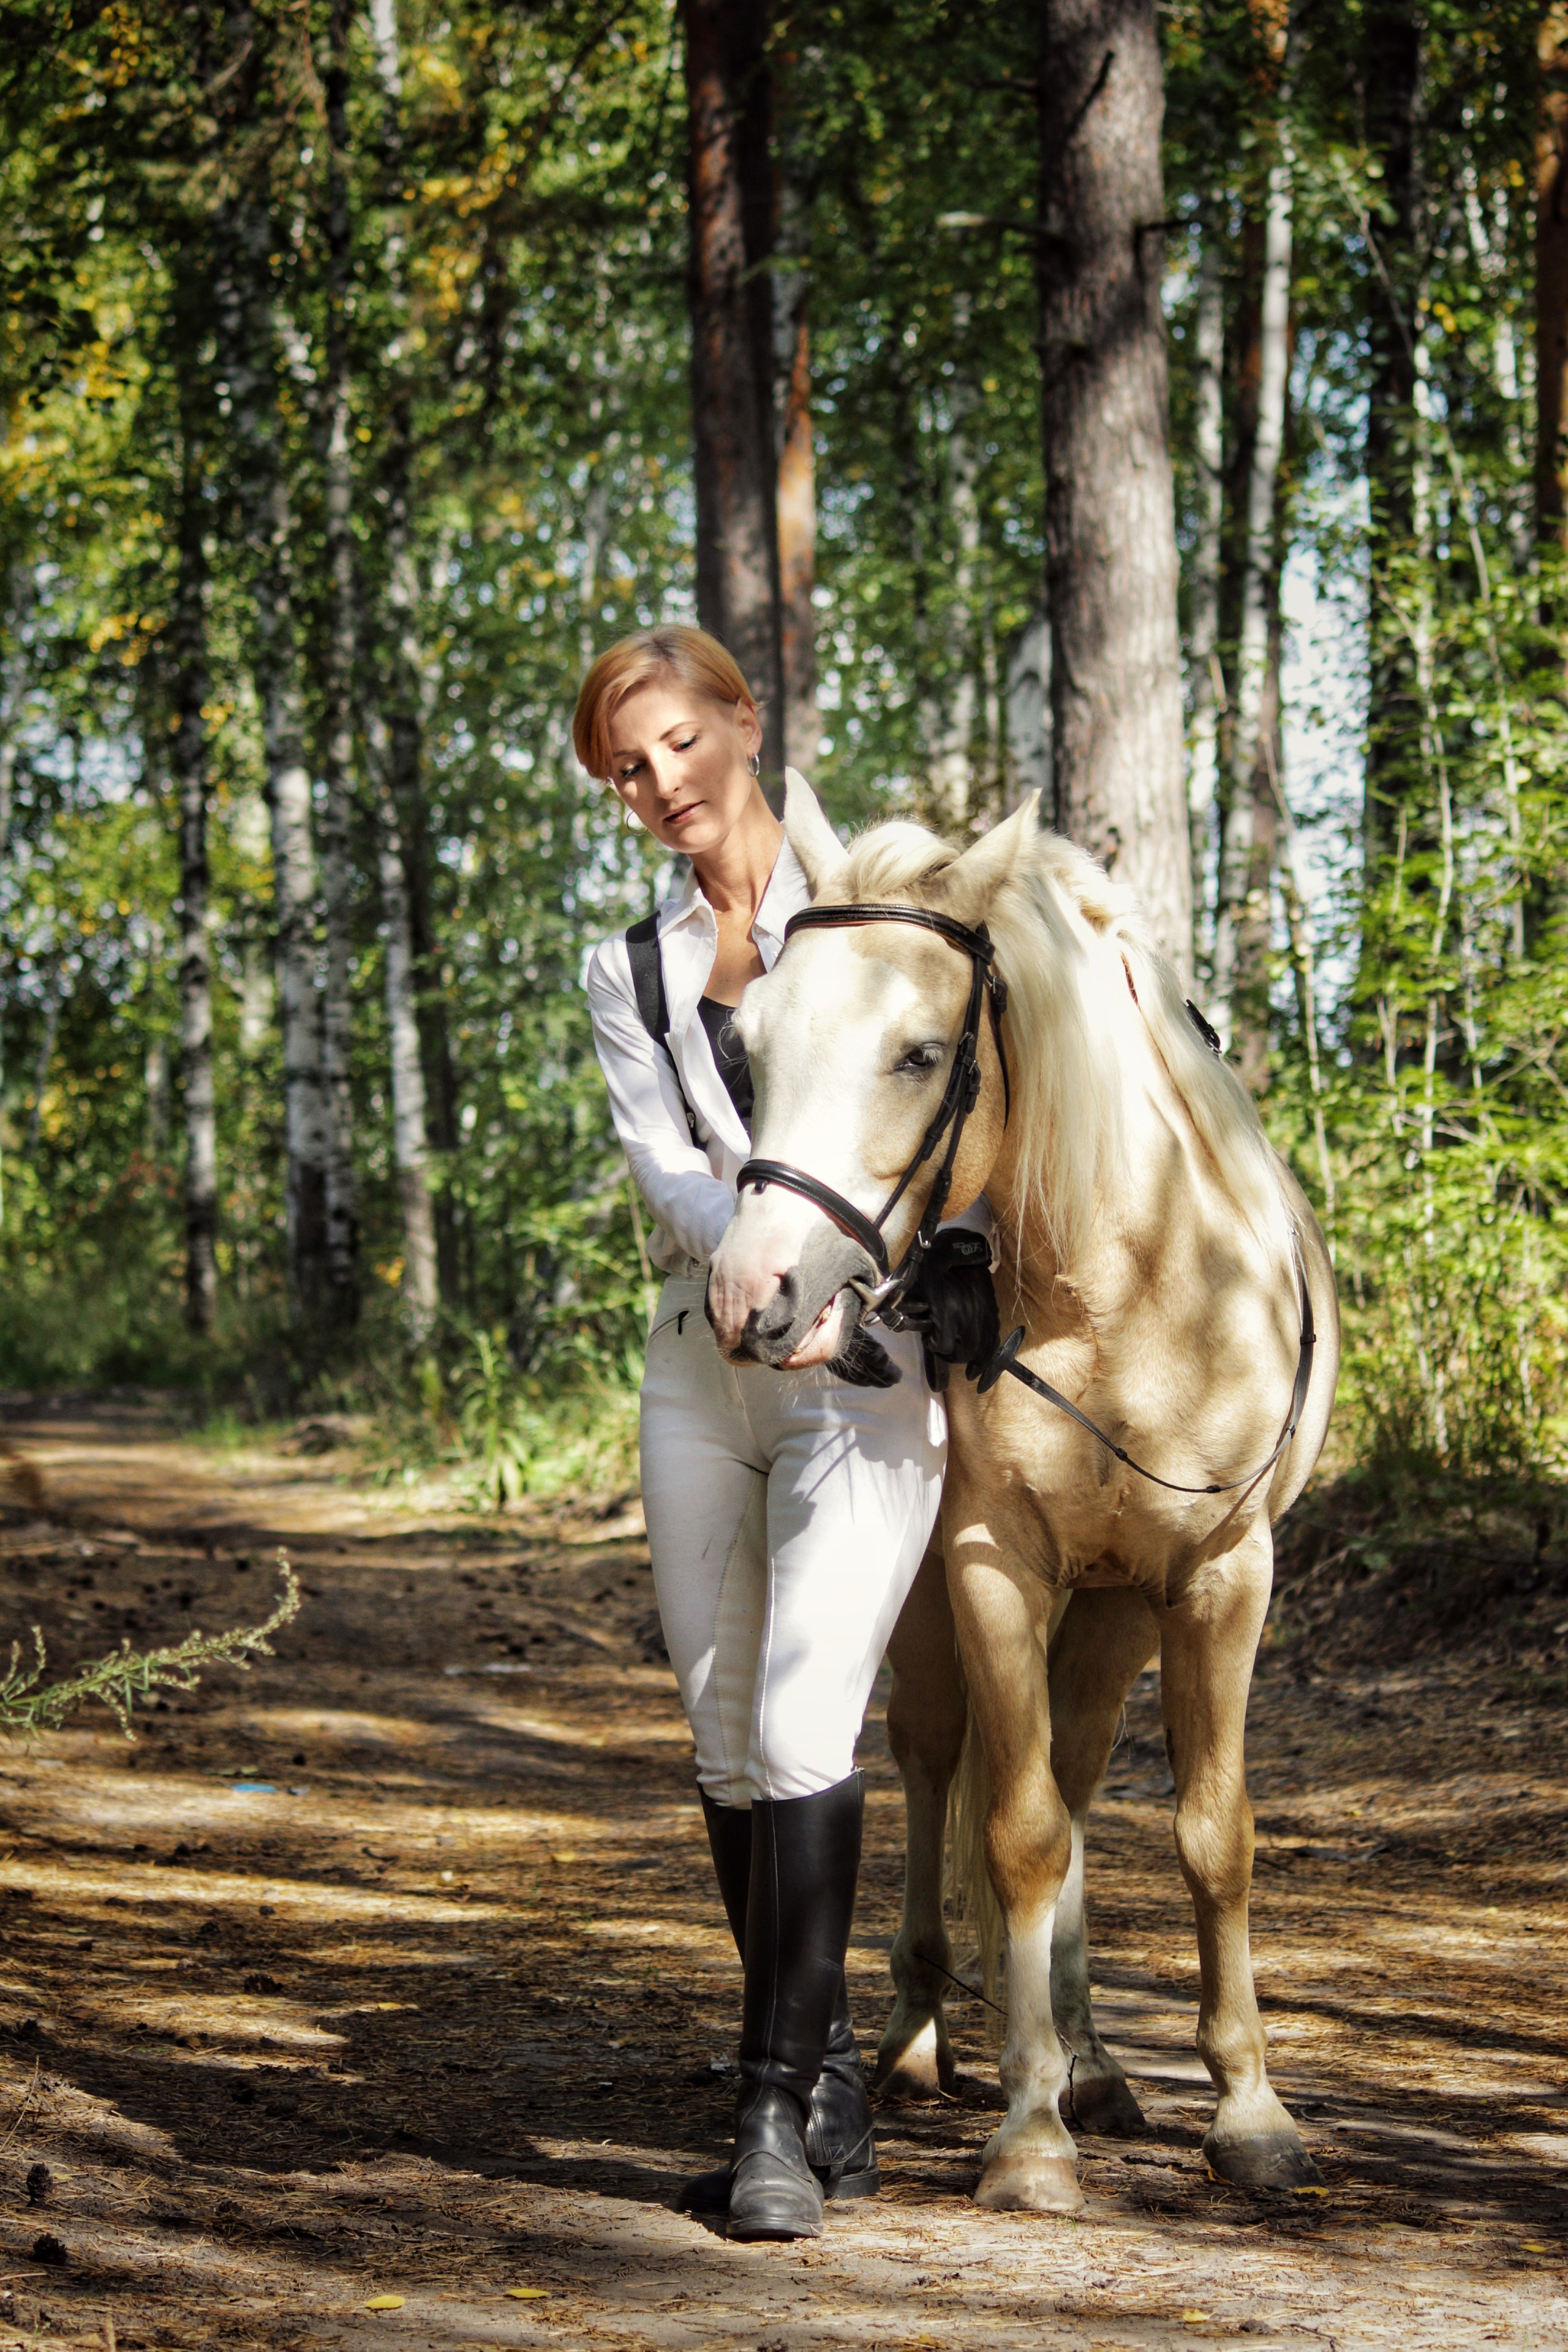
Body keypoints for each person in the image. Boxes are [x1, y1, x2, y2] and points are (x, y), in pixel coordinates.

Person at [578, 625, 962, 2243]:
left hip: (862, 1361)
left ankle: (768, 2122)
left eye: (680, 741)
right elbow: (666, 1165)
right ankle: (825, 2091)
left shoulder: (886, 912)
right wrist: (742, 1248)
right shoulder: (630, 965)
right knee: (724, 1735)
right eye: (627, 769)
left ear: (745, 718)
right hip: (699, 1360)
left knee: (809, 1725)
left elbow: (956, 1139)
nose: (663, 785)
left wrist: (843, 1281)